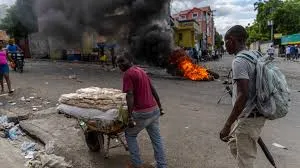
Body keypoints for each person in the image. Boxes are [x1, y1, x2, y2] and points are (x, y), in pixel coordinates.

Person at [220, 25, 266, 168]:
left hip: (248, 117)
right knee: (234, 143)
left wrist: (227, 125)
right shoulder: (255, 55)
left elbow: (243, 95)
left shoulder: (239, 61)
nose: (224, 45)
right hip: (254, 114)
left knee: (245, 162)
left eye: (225, 41)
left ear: (232, 40)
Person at [117, 54, 167, 168]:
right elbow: (152, 89)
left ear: (130, 60)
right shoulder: (141, 71)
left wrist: (130, 117)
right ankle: (162, 165)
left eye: (122, 61)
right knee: (157, 139)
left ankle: (136, 164)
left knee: (130, 135)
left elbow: (130, 95)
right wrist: (160, 106)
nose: (120, 64)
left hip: (142, 113)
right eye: (117, 63)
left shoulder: (128, 74)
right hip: (154, 111)